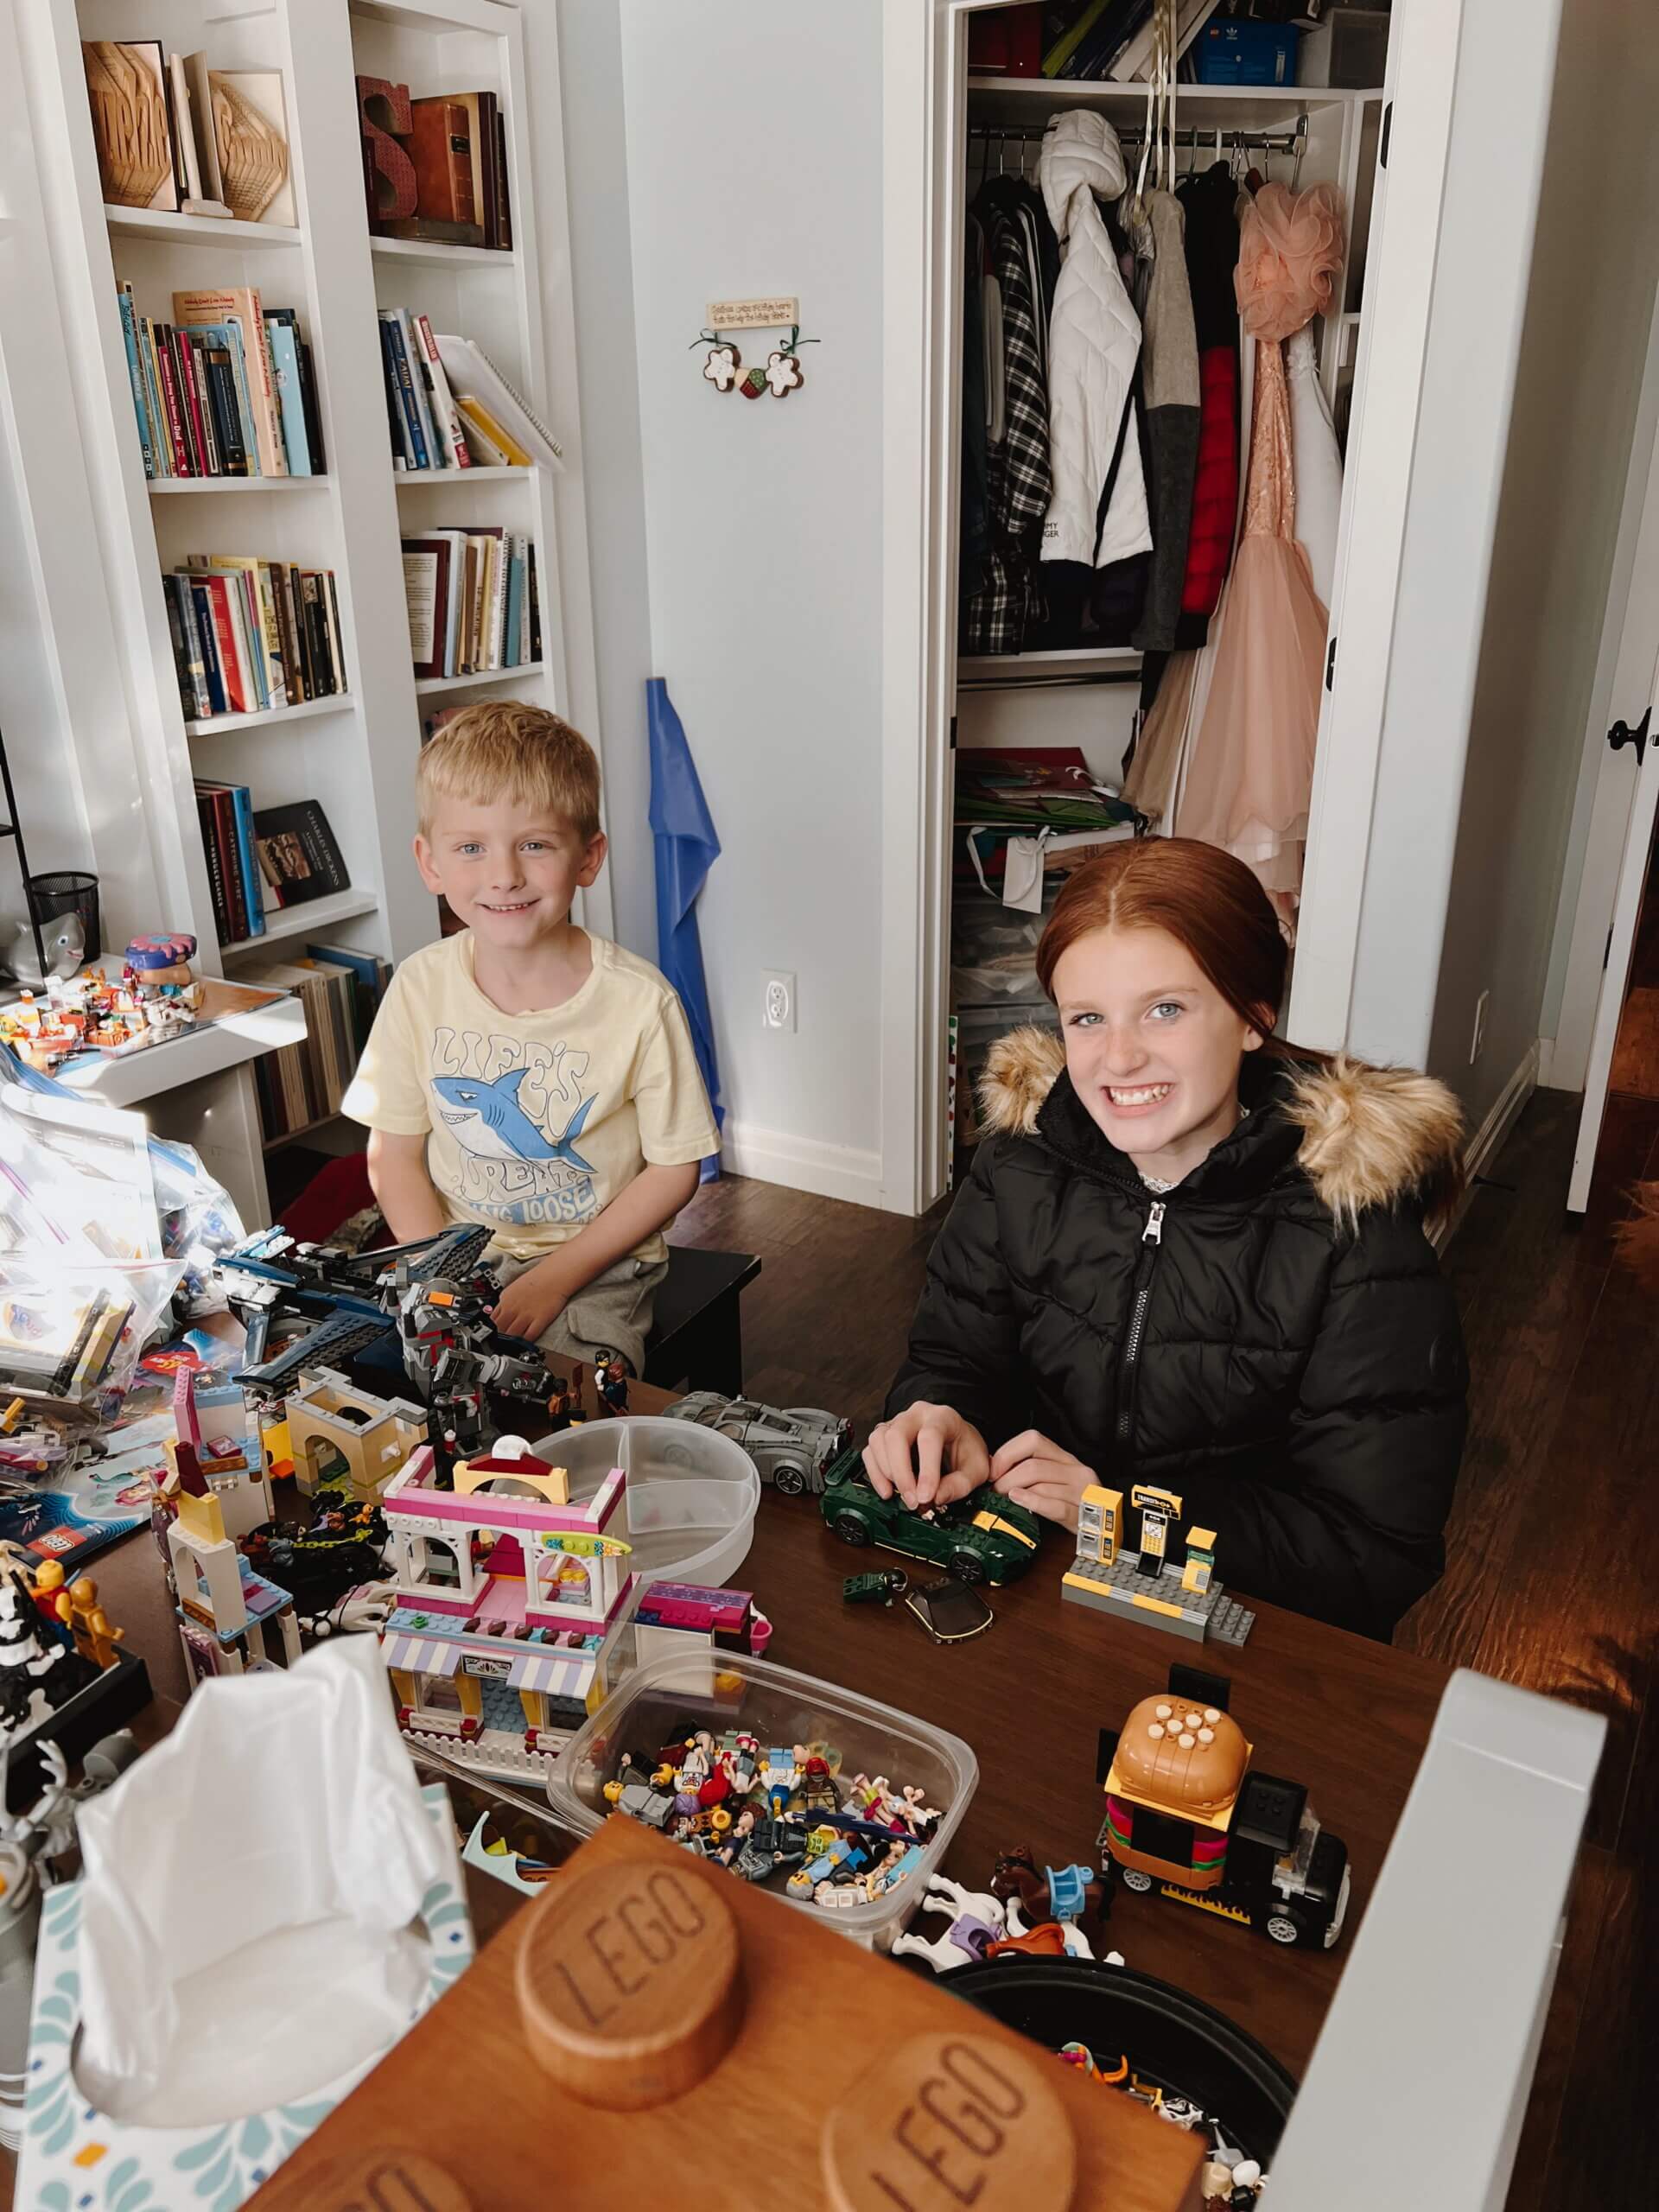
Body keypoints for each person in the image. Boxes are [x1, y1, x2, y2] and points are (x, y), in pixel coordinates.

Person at [867, 839, 1469, 1640]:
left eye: (1166, 1009)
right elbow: (953, 1359)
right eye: (1087, 1018)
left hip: (1242, 1642)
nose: (1119, 1057)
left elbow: (1371, 1553)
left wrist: (1116, 1517)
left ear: (1254, 1014)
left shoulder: (1356, 1236)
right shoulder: (1016, 1170)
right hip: (1027, 1594)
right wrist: (941, 1419)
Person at [342, 702, 719, 1376]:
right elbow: (393, 1156)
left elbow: (674, 1169)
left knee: (551, 1400)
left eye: (535, 845)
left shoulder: (641, 1001)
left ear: (588, 857)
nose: (504, 875)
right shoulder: (419, 986)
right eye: (471, 847)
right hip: (458, 1254)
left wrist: (556, 1277)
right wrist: (439, 1271)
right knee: (375, 1385)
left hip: (599, 1262)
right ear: (429, 863)